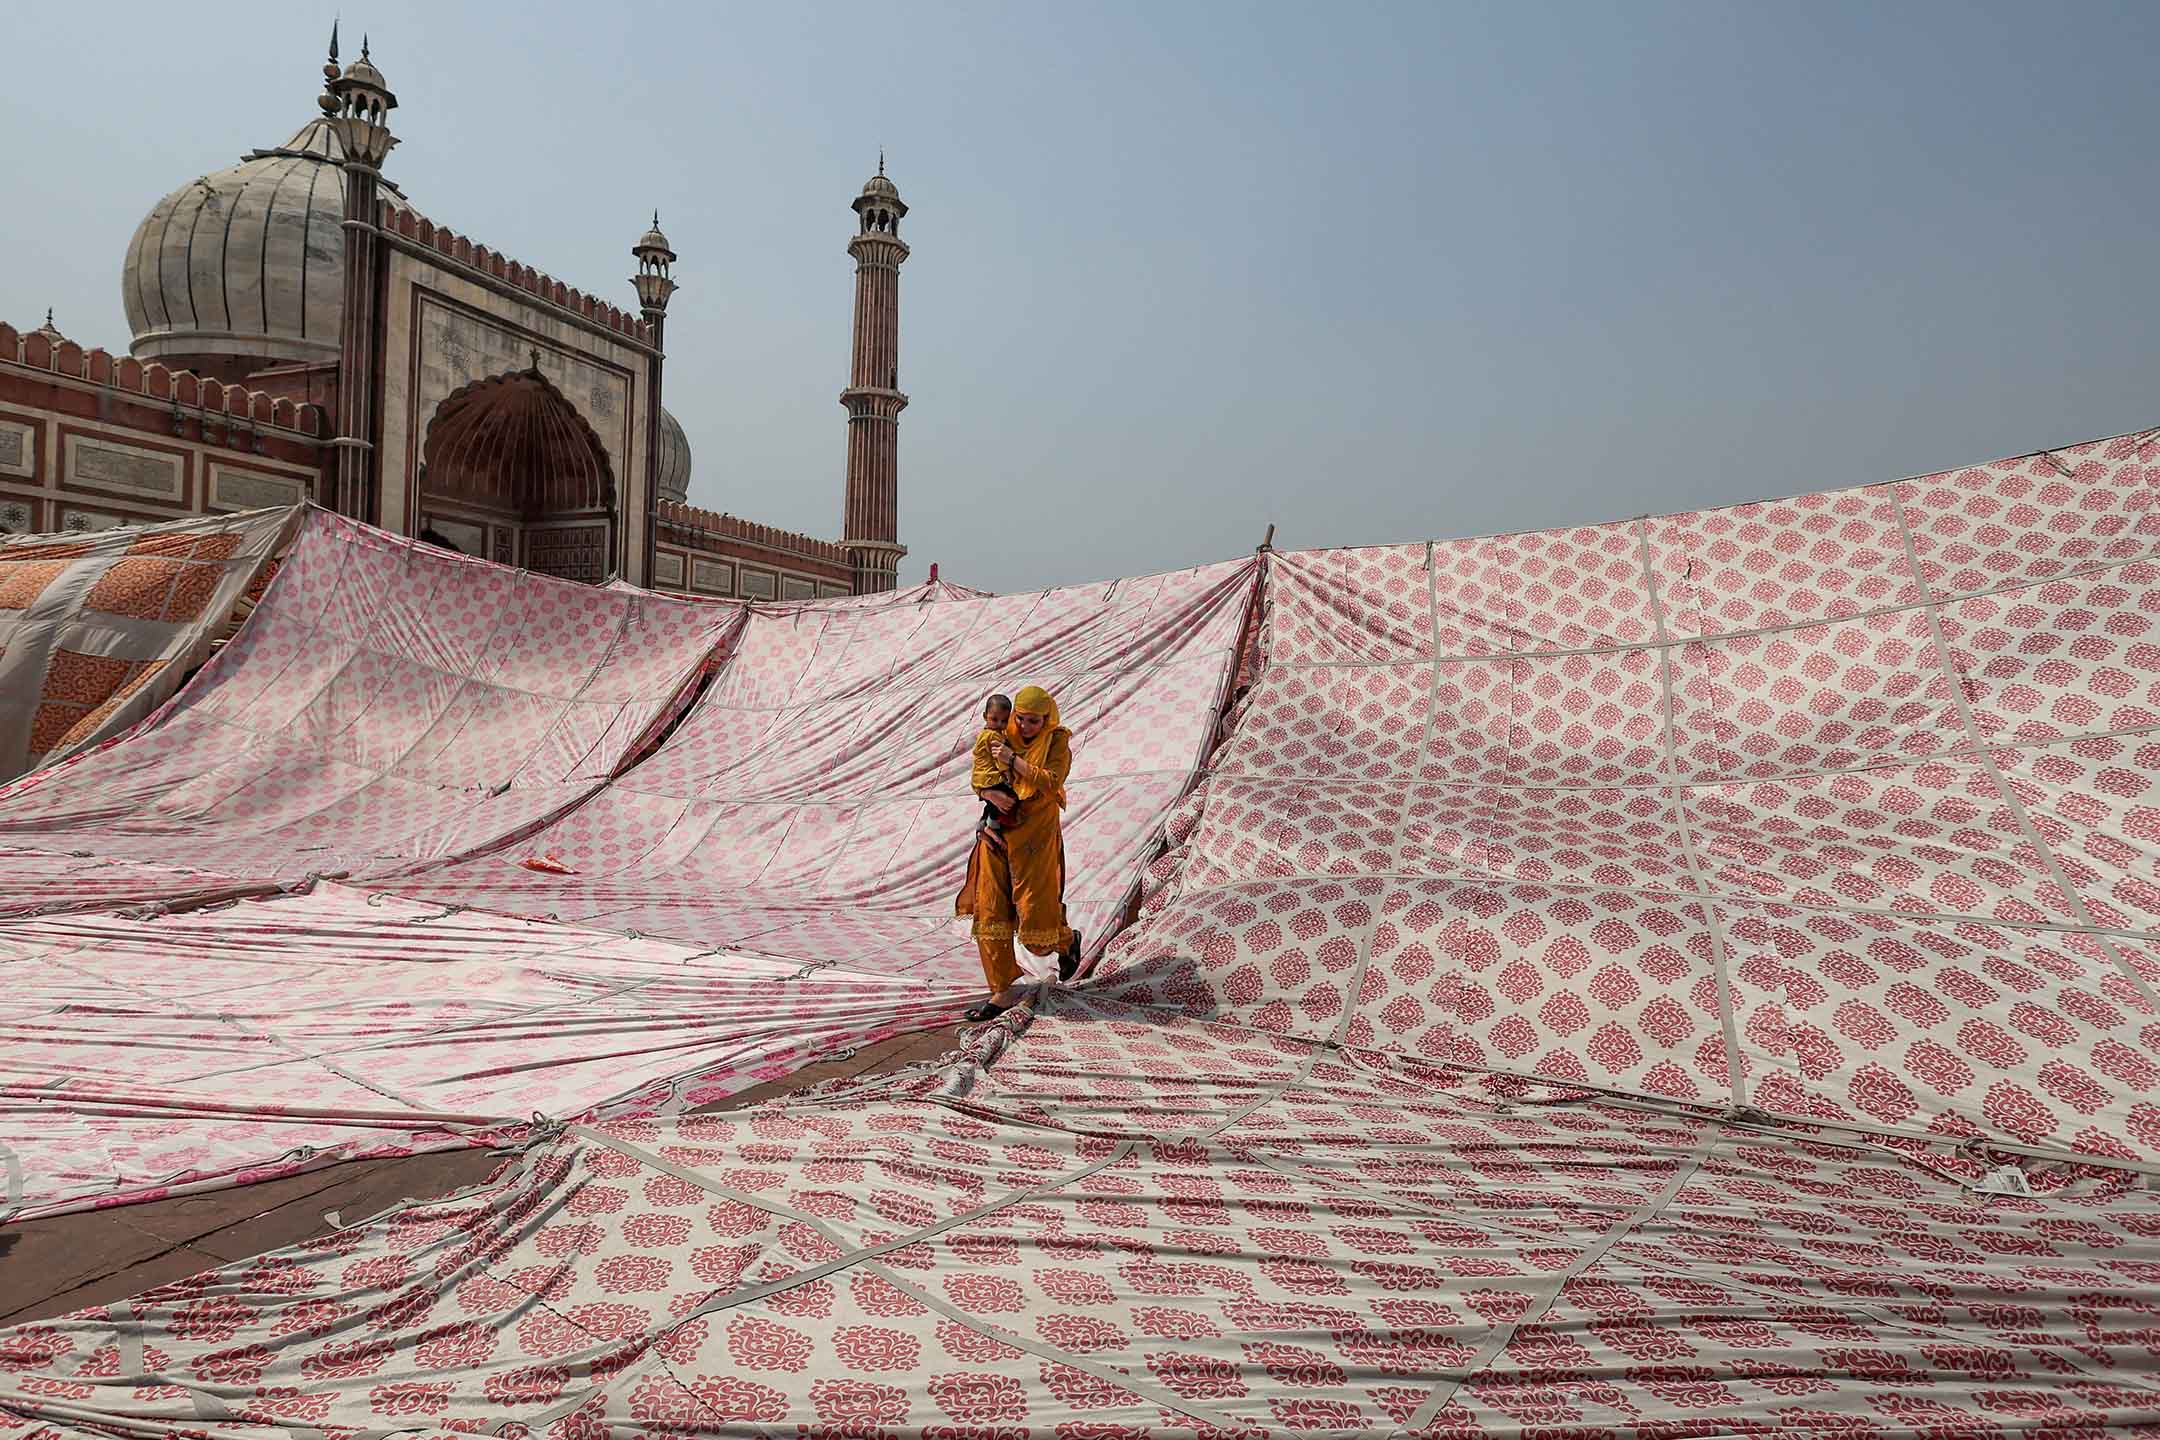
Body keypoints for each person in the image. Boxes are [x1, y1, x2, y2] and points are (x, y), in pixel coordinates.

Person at [955, 684, 1082, 1021]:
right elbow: (982, 771)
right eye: (1020, 719)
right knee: (990, 910)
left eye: (1033, 722)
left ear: (1047, 720)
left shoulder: (1057, 742)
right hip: (996, 835)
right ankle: (1001, 991)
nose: (1025, 727)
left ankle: (1066, 940)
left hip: (1034, 841)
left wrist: (1014, 760)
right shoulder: (1000, 734)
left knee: (1035, 926)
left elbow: (1051, 781)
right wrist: (987, 794)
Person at [970, 692, 1019, 851]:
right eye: (994, 719)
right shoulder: (995, 737)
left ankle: (984, 826)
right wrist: (1009, 776)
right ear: (985, 716)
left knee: (991, 804)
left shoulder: (983, 734)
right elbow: (1001, 761)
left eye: (1004, 721)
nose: (999, 724)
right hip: (991, 778)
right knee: (1009, 799)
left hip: (980, 778)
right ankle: (991, 827)